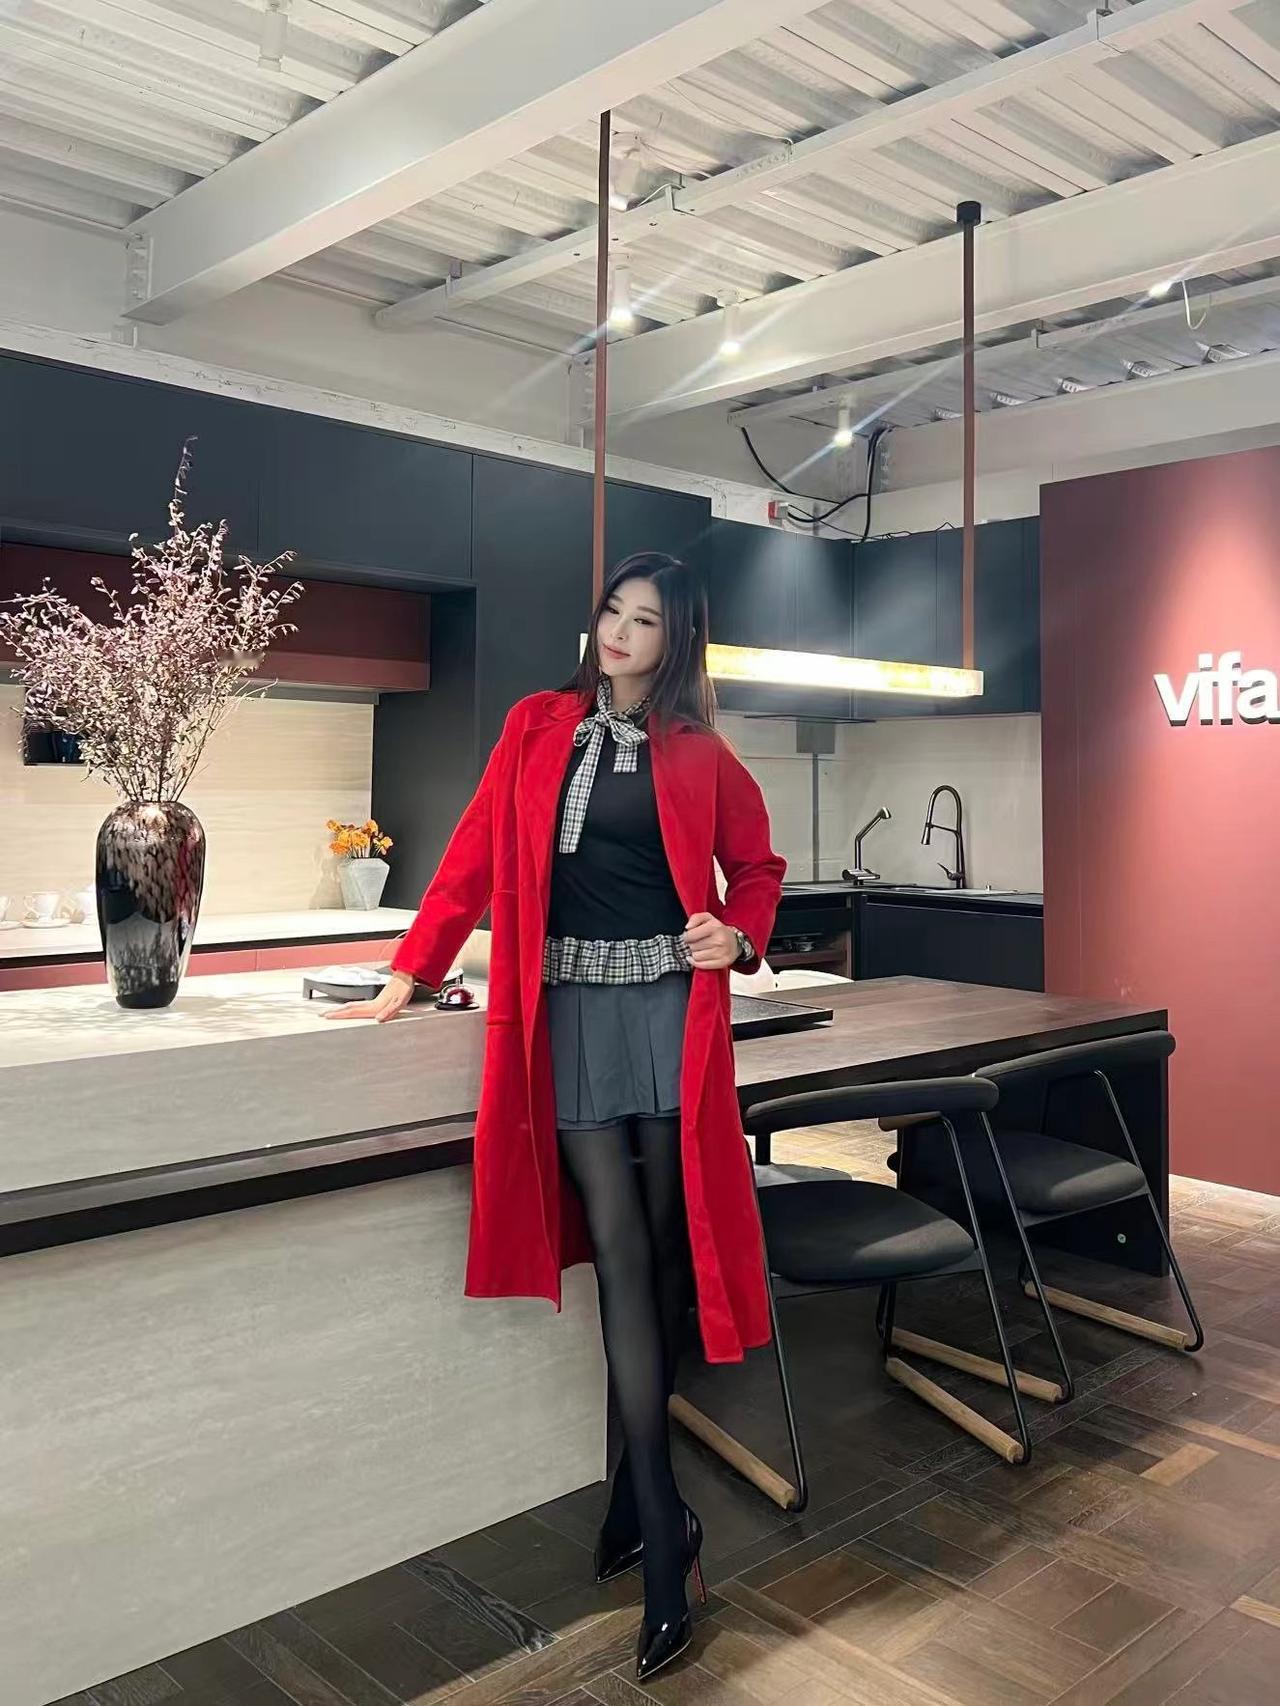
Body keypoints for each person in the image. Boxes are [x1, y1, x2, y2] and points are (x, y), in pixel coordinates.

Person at [327, 551, 786, 1680]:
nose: (620, 633)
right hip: (570, 1017)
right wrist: (411, 968)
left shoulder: (700, 750)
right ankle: (665, 1525)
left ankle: (644, 1508)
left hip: (670, 1017)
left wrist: (737, 934)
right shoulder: (537, 725)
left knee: (663, 1257)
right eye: (612, 612)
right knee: (622, 1258)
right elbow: (474, 853)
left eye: (645, 621)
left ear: (676, 641)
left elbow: (758, 866)